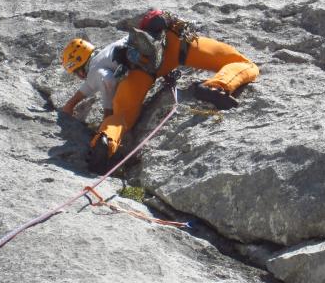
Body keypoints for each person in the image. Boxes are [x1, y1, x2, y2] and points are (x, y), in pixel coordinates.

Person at [61, 10, 259, 174]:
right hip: (176, 43)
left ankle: (106, 140)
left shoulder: (96, 66)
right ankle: (216, 85)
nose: (79, 77)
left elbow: (103, 81)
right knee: (242, 63)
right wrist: (71, 103)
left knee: (121, 117)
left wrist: (106, 112)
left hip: (141, 66)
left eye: (76, 73)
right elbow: (86, 87)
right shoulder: (109, 49)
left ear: (79, 66)